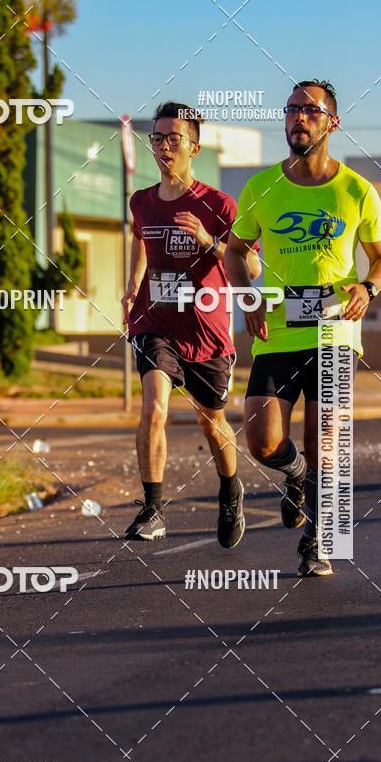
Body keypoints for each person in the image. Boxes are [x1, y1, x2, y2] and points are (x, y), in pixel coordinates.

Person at [224, 79, 381, 576]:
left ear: (332, 122)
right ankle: (295, 475)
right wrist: (247, 295)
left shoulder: (358, 191)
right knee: (260, 440)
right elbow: (236, 252)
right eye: (292, 109)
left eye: (311, 110)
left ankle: (318, 540)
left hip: (336, 333)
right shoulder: (261, 187)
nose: (299, 117)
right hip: (277, 332)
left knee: (326, 437)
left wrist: (368, 287)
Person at [122, 101, 261, 545]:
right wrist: (131, 286)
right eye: (157, 138)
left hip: (207, 329)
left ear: (194, 148)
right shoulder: (141, 201)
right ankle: (153, 509)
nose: (163, 146)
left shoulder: (218, 204)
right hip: (155, 321)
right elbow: (139, 240)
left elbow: (253, 266)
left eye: (173, 138)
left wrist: (208, 242)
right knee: (154, 407)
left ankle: (229, 489)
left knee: (211, 422)